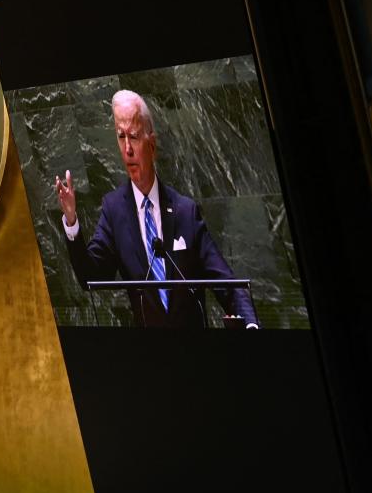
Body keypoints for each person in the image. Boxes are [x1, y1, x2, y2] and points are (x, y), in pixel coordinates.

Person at [54, 90, 259, 329]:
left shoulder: (185, 211)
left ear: (151, 144)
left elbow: (225, 281)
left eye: (134, 136)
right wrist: (71, 221)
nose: (127, 149)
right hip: (151, 356)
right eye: (121, 137)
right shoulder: (115, 210)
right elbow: (90, 277)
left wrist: (251, 325)